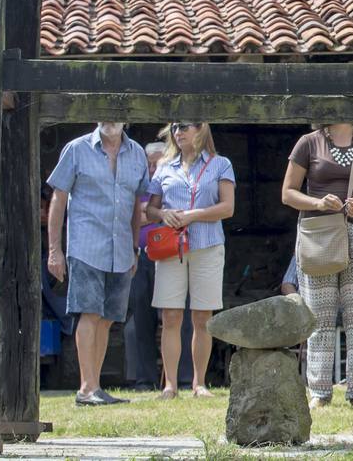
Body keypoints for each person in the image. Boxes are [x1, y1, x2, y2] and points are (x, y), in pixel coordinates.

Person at [282, 123, 353, 408]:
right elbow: (288, 193)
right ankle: (319, 391)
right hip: (320, 233)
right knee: (319, 315)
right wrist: (318, 204)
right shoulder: (308, 142)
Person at [46, 122, 150, 406]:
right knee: (89, 313)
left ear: (125, 120)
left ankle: (95, 386)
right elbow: (58, 198)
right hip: (86, 245)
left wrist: (135, 248)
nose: (109, 119)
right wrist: (54, 250)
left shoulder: (138, 153)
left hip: (122, 249)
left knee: (106, 319)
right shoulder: (77, 149)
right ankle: (86, 388)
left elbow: (135, 204)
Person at [145, 122, 236, 399]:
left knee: (202, 317)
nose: (178, 132)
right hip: (172, 247)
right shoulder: (164, 167)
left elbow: (228, 207)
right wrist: (164, 216)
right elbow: (150, 209)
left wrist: (192, 215)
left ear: (201, 129)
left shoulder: (220, 164)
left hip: (207, 244)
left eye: (184, 126)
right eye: (174, 128)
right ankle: (170, 384)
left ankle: (199, 383)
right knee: (170, 315)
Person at [124, 139, 167, 391]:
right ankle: (145, 379)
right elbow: (131, 215)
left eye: (156, 164)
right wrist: (147, 212)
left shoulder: (168, 183)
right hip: (139, 255)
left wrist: (145, 212)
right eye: (148, 164)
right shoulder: (138, 186)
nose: (152, 169)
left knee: (174, 316)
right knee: (141, 318)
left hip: (167, 255)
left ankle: (181, 378)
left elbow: (163, 211)